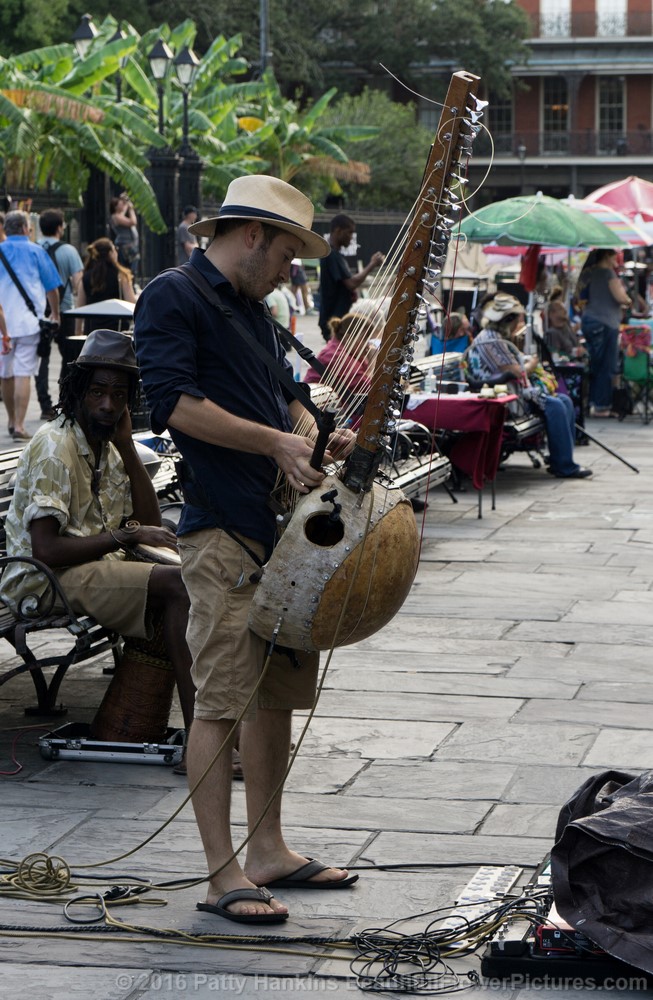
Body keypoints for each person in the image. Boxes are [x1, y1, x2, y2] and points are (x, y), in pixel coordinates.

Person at [134, 175, 358, 925]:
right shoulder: (174, 295)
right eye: (288, 254)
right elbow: (173, 404)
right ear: (254, 235)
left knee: (275, 698)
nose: (291, 271)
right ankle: (219, 872)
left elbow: (284, 398)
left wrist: (322, 434)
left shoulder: (255, 314)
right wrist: (275, 440)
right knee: (223, 702)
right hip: (222, 526)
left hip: (279, 530)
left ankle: (268, 848)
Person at [0, 329, 195, 732]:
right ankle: (201, 734)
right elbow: (45, 552)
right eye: (97, 393)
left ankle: (192, 721)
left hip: (88, 565)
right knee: (179, 585)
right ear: (78, 391)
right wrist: (126, 537)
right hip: (43, 581)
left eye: (119, 395)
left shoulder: (105, 442)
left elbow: (151, 522)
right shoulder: (57, 446)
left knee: (198, 570)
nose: (108, 405)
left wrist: (126, 447)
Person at [465, 293, 592, 480]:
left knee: (564, 400)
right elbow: (515, 371)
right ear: (508, 320)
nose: (520, 323)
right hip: (503, 396)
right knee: (556, 406)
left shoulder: (498, 337)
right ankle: (564, 465)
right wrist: (531, 364)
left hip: (513, 391)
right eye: (518, 319)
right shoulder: (490, 339)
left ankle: (562, 460)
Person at [0, 210, 61, 441]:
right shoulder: (37, 252)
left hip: (2, 325)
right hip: (29, 324)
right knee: (23, 372)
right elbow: (52, 288)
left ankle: (10, 419)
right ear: (26, 228)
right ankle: (19, 425)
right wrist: (55, 314)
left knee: (6, 374)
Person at [576, 249, 631, 417]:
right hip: (605, 323)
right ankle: (601, 406)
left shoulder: (589, 273)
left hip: (590, 321)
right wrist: (628, 299)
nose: (617, 259)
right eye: (615, 255)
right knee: (606, 365)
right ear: (607, 256)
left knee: (595, 364)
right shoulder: (607, 273)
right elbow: (621, 298)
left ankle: (592, 402)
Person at [38, 208, 85, 397]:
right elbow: (77, 283)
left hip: (40, 311)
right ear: (59, 228)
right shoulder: (69, 251)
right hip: (65, 310)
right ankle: (64, 397)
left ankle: (44, 402)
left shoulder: (35, 249)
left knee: (41, 357)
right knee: (68, 356)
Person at [318, 213, 385, 342]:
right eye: (349, 233)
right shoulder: (332, 255)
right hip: (334, 319)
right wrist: (372, 264)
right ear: (338, 231)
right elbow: (351, 283)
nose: (351, 238)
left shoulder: (334, 254)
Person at [303, 312, 376, 408]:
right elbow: (370, 390)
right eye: (364, 338)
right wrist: (372, 363)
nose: (368, 345)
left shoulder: (342, 350)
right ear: (348, 337)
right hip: (316, 411)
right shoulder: (338, 357)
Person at [75, 238, 137, 337]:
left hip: (92, 333)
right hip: (117, 332)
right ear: (110, 253)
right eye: (114, 249)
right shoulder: (121, 276)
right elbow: (132, 304)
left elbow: (80, 306)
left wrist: (78, 331)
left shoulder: (86, 277)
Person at [109, 193, 140, 277]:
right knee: (129, 269)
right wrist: (131, 209)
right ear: (116, 207)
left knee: (129, 268)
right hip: (126, 246)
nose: (123, 205)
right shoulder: (116, 216)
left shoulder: (118, 215)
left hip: (128, 244)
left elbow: (124, 209)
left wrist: (125, 200)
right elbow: (133, 222)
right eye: (121, 203)